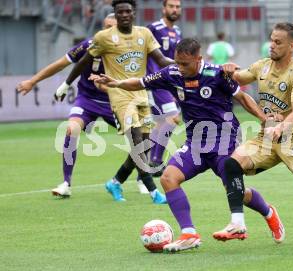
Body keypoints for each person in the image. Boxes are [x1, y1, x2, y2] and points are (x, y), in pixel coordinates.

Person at [91, 38, 285, 253]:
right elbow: (141, 82)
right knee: (168, 178)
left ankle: (268, 213)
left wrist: (262, 118)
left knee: (235, 188)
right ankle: (189, 233)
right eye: (177, 62)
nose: (180, 68)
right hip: (195, 143)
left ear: (198, 59)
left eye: (185, 64)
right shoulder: (171, 73)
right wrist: (116, 83)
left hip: (224, 138)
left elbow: (242, 97)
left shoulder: (216, 74)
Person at [215, 22, 293, 251]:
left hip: (291, 136)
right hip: (265, 138)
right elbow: (238, 78)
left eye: (277, 42)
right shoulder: (262, 66)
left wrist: (281, 126)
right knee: (231, 165)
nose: (271, 45)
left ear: (292, 46)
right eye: (271, 40)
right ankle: (238, 223)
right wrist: (225, 70)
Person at [57, 0, 174, 203]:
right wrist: (67, 84)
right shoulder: (104, 37)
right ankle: (154, 192)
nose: (124, 15)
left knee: (145, 144)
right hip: (119, 96)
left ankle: (115, 182)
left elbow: (162, 60)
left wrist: (185, 65)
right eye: (120, 12)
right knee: (136, 141)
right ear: (116, 13)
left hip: (140, 93)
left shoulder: (144, 34)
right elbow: (83, 61)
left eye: (128, 11)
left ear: (134, 13)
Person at [15, 14, 139, 198]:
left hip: (115, 102)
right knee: (71, 129)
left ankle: (123, 181)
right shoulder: (90, 45)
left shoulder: (130, 52)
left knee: (141, 140)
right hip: (87, 100)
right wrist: (33, 81)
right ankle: (66, 183)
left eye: (112, 28)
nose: (107, 31)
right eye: (105, 26)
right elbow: (60, 64)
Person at [146, 0, 182, 176]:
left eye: (177, 7)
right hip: (156, 82)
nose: (175, 10)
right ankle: (157, 161)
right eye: (171, 6)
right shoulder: (153, 28)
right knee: (173, 118)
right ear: (163, 8)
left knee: (161, 123)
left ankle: (148, 160)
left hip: (170, 84)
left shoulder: (177, 31)